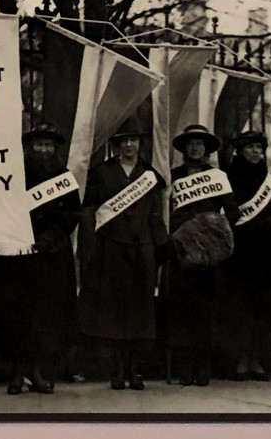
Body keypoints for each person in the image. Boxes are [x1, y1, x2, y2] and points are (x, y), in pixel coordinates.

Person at [0, 122, 80, 395]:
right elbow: (0, 210)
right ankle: (16, 372)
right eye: (38, 144)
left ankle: (36, 371)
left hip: (50, 256)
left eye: (48, 145)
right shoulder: (13, 176)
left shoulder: (63, 177)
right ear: (28, 147)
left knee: (45, 315)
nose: (43, 150)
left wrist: (50, 238)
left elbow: (73, 213)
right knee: (16, 314)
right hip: (17, 256)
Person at [78, 117, 169, 391]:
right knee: (114, 312)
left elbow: (156, 216)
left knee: (141, 312)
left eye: (134, 140)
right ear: (116, 145)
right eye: (124, 141)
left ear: (140, 144)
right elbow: (90, 212)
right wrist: (90, 248)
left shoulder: (150, 175)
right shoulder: (101, 173)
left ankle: (135, 369)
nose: (129, 145)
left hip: (142, 250)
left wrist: (160, 248)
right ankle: (117, 370)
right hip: (111, 249)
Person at [164, 124, 237, 386]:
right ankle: (185, 368)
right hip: (182, 251)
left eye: (200, 144)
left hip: (209, 255)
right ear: (184, 148)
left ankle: (203, 366)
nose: (195, 148)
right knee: (182, 310)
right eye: (191, 143)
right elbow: (165, 212)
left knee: (206, 311)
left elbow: (232, 211)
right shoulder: (172, 177)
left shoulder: (218, 177)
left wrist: (212, 230)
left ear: (206, 149)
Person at [219, 130, 271, 381]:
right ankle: (241, 359)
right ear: (240, 151)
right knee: (240, 306)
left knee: (263, 306)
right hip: (240, 250)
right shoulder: (229, 177)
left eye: (259, 148)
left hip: (265, 250)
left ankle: (257, 359)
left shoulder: (268, 179)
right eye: (250, 147)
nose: (255, 152)